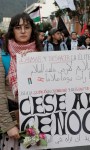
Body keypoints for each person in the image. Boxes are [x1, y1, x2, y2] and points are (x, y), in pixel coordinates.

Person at [0, 12, 41, 150]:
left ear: (32, 30)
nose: (23, 31)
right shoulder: (3, 57)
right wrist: (8, 126)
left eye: (27, 27)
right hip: (14, 126)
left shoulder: (43, 56)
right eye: (18, 27)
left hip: (39, 122)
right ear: (12, 30)